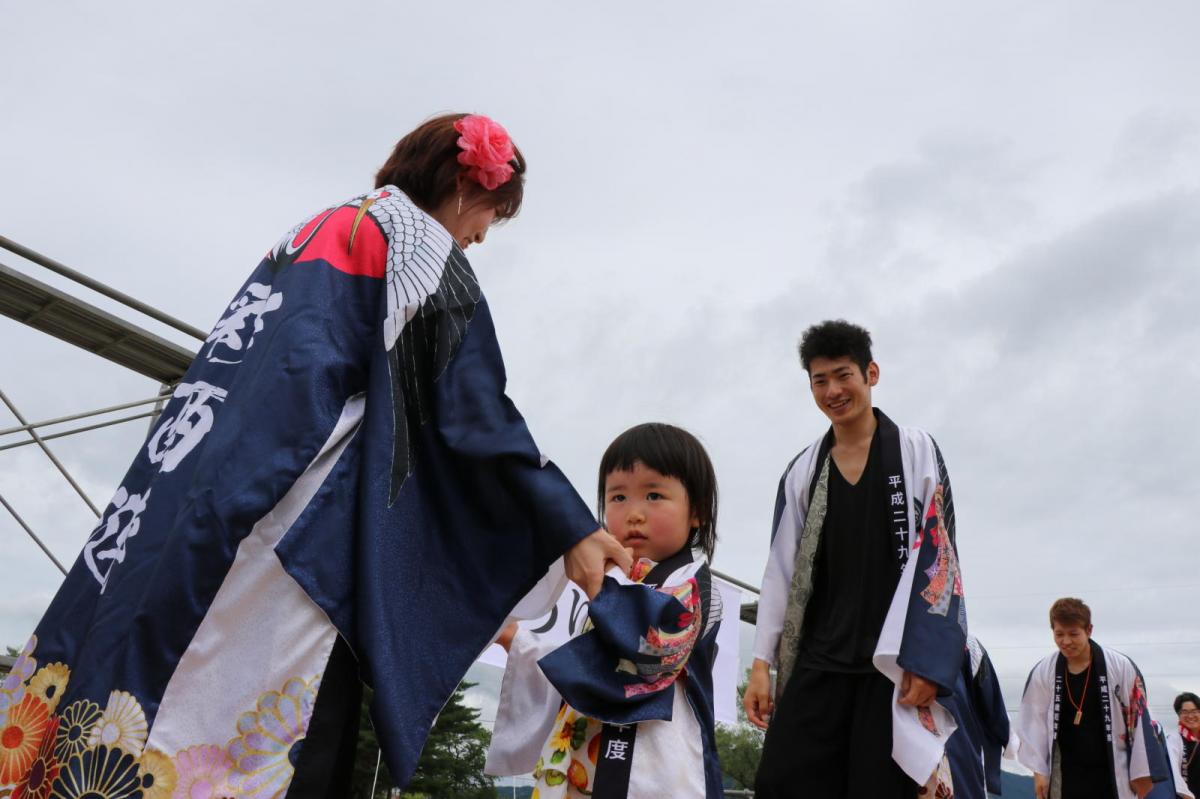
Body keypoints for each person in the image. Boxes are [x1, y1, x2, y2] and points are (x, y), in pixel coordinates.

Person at [0, 113, 631, 799]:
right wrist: (566, 520)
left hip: (190, 507)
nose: (480, 235)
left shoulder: (317, 230)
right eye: (489, 214)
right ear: (461, 185)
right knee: (252, 737)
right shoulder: (416, 246)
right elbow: (467, 406)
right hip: (290, 536)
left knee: (122, 688)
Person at [746, 319, 970, 798]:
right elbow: (781, 570)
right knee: (782, 780)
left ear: (872, 373)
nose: (833, 390)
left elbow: (943, 559)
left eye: (843, 375)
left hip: (890, 665)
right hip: (820, 658)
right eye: (819, 380)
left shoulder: (916, 451)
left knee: (882, 787)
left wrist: (930, 660)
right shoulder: (803, 470)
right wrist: (762, 663)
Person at [485, 423, 725, 798]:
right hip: (586, 756)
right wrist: (515, 639)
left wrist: (602, 581)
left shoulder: (693, 582)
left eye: (654, 495)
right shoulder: (613, 585)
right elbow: (587, 671)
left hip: (660, 769)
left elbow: (654, 652)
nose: (634, 514)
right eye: (617, 498)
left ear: (697, 511)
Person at [1017, 597, 1168, 799]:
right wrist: (1039, 772)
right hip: (1066, 772)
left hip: (1112, 769)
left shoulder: (1120, 666)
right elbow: (1034, 722)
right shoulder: (1044, 671)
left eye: (1073, 634)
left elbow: (1138, 719)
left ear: (1089, 630)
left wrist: (1141, 774)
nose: (1066, 641)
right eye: (1059, 634)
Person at [942, 635, 1011, 799]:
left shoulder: (966, 643)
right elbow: (992, 704)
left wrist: (1004, 733)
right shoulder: (964, 641)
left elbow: (990, 699)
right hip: (958, 752)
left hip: (956, 750)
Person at [1166, 692, 1200, 797]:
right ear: (1178, 715)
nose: (1190, 716)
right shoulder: (1174, 739)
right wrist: (1187, 796)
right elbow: (1173, 771)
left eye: (1194, 711)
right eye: (1184, 712)